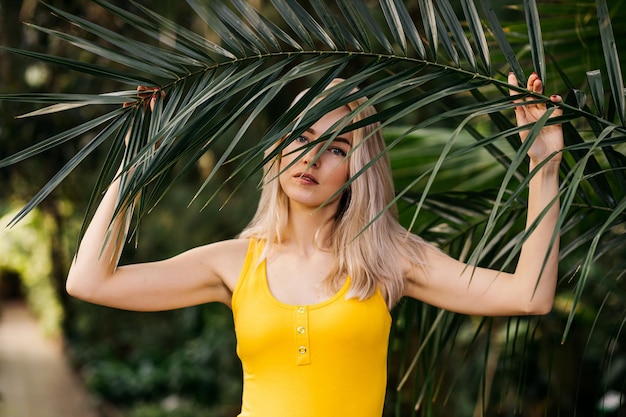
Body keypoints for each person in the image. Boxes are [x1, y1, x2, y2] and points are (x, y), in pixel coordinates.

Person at [66, 72, 563, 417]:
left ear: (356, 170)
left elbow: (529, 295)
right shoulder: (234, 262)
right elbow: (90, 280)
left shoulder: (387, 258)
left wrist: (544, 168)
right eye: (301, 138)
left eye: (337, 149)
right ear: (277, 148)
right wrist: (137, 164)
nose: (313, 159)